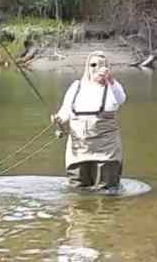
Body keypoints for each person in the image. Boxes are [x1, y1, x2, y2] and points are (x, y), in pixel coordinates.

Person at [52, 51, 126, 190]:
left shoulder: (112, 87)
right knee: (77, 191)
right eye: (93, 65)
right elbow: (65, 111)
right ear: (88, 67)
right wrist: (58, 119)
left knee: (107, 192)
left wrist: (110, 80)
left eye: (101, 65)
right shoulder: (76, 87)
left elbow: (121, 99)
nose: (97, 68)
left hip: (107, 151)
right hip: (78, 151)